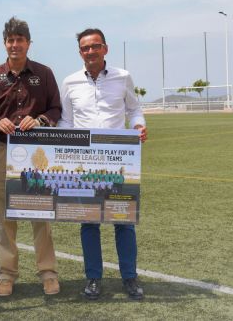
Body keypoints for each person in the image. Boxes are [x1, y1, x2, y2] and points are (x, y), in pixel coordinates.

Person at [58, 28, 147, 301]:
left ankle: (129, 278)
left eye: (96, 46)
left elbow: (134, 109)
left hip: (119, 161)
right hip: (84, 164)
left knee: (124, 223)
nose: (91, 51)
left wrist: (139, 125)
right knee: (89, 223)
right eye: (85, 48)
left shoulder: (123, 77)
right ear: (80, 52)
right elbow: (66, 122)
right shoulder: (70, 82)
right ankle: (94, 278)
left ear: (105, 49)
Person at [0, 16, 61, 297]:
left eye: (20, 40)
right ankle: (7, 274)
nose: (15, 45)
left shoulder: (44, 73)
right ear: (5, 43)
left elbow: (55, 110)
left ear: (28, 43)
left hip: (37, 153)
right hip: (2, 150)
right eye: (10, 40)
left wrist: (38, 120)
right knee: (4, 217)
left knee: (41, 213)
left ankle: (48, 272)